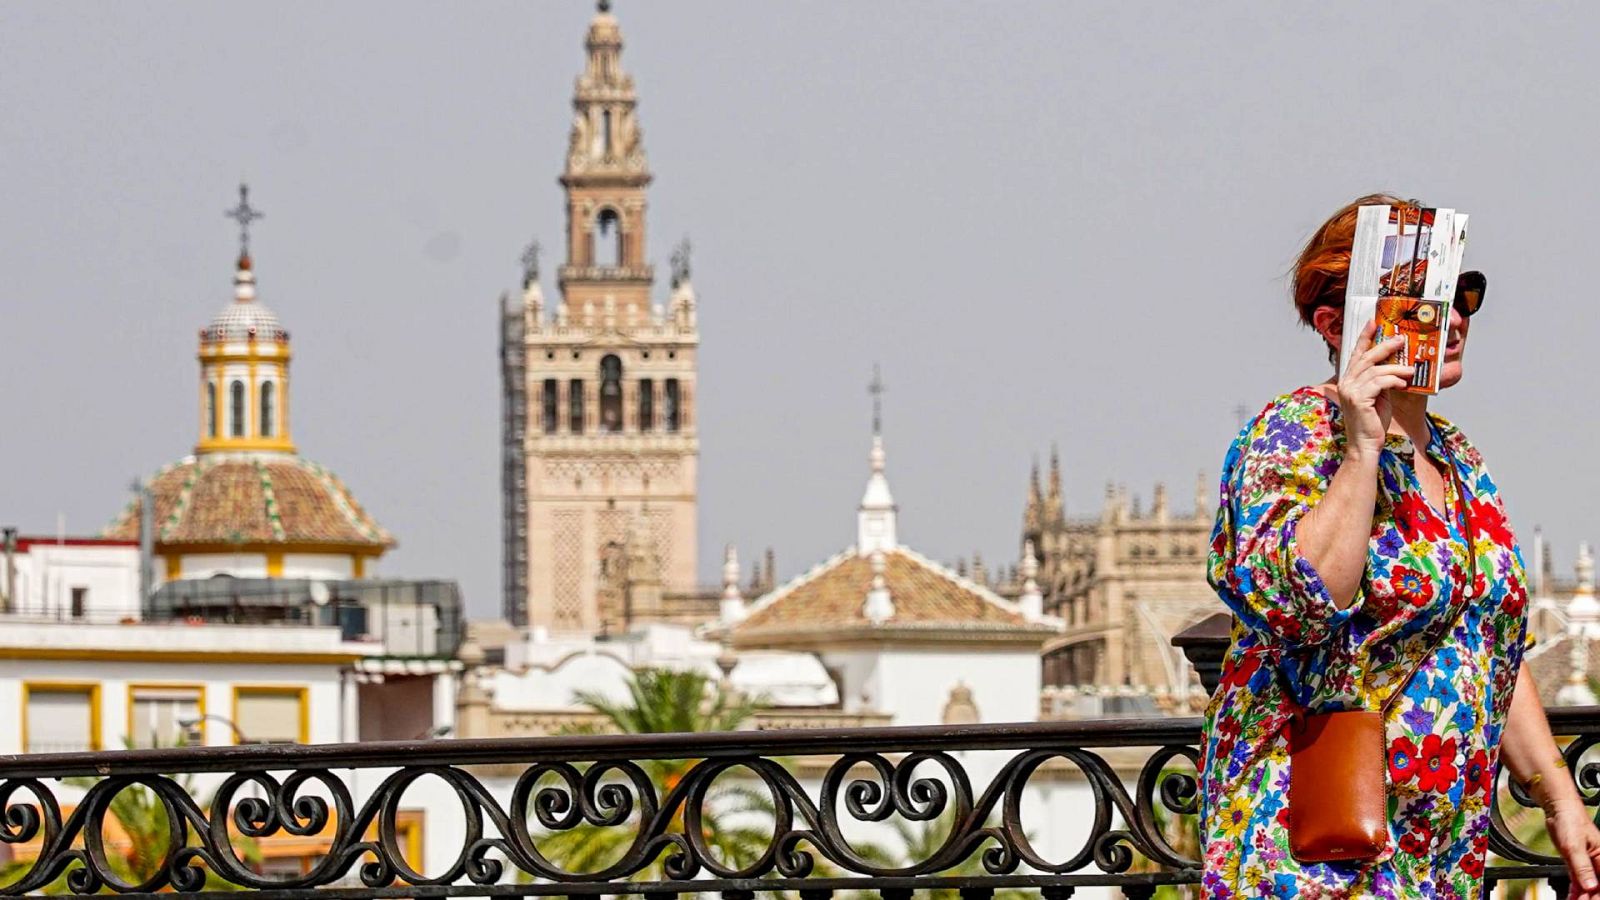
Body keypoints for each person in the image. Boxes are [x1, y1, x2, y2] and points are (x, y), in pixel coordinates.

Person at [1199, 194, 1600, 897]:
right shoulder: (1293, 434)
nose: (1452, 322)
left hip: (1438, 850)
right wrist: (1362, 448)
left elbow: (1488, 642)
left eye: (1462, 295)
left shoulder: (1459, 459)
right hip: (1313, 850)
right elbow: (1302, 603)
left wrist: (1559, 795)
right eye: (1420, 304)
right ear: (1335, 323)